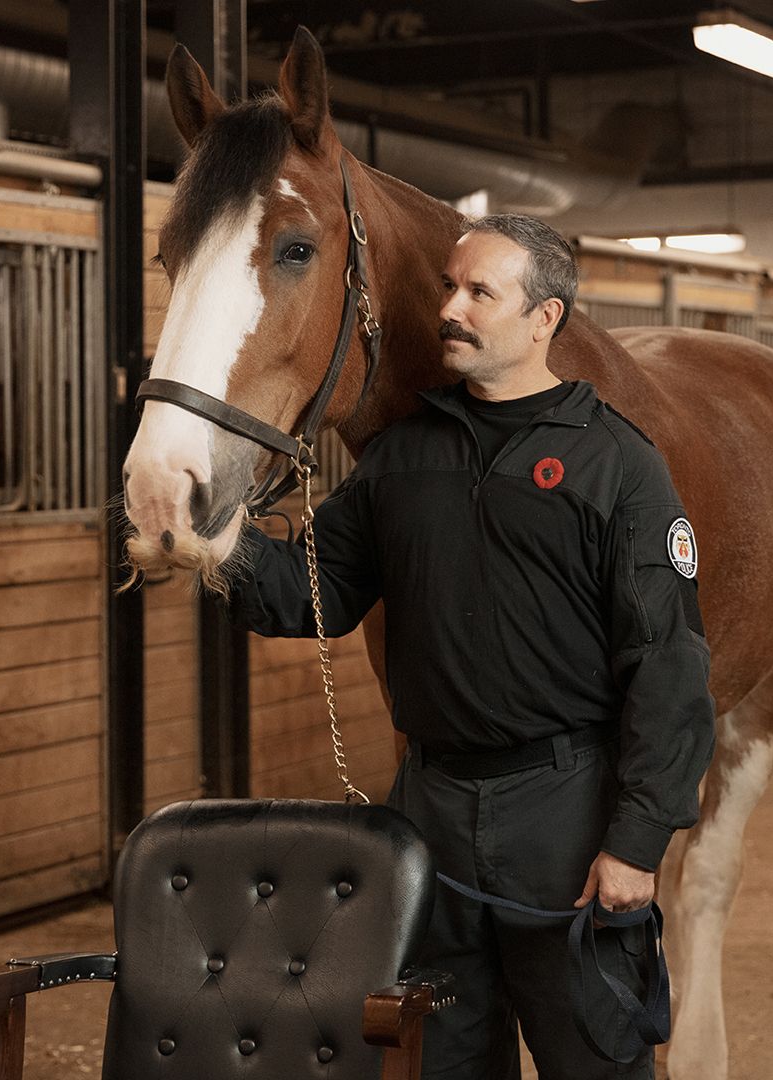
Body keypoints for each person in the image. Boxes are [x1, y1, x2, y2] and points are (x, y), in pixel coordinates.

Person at [223, 213, 715, 1080]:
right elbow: (313, 593)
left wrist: (637, 840)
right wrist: (217, 541)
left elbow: (669, 668)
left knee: (592, 1056)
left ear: (544, 320)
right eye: (449, 287)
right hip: (430, 809)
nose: (451, 307)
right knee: (437, 1061)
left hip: (565, 806)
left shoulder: (617, 465)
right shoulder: (402, 458)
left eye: (480, 293)